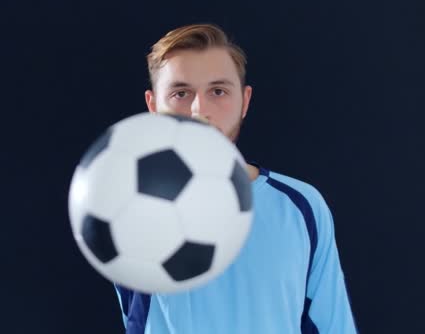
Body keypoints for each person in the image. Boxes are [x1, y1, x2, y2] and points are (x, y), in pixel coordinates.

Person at [113, 23, 358, 333]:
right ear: (153, 106)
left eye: (218, 91)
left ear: (245, 100)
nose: (200, 109)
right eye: (180, 93)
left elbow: (333, 326)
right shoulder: (124, 209)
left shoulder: (300, 206)